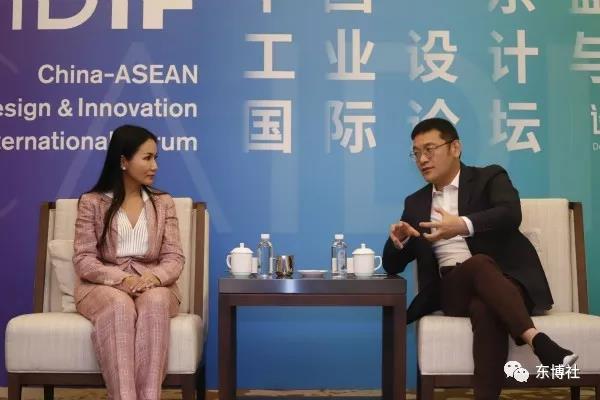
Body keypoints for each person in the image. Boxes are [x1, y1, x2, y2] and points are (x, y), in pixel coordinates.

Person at [382, 118, 578, 400]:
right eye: (416, 153)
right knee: (478, 265)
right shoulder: (415, 203)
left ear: (455, 148)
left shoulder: (489, 178)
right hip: (452, 290)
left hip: (507, 283)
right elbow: (391, 266)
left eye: (429, 149)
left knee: (485, 307)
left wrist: (462, 225)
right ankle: (537, 340)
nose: (422, 159)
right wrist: (399, 241)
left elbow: (510, 214)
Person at [73, 125, 184, 400]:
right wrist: (123, 279)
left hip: (153, 283)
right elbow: (84, 259)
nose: (155, 166)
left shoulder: (163, 203)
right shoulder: (91, 202)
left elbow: (174, 257)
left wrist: (154, 278)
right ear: (123, 160)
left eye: (156, 157)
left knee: (155, 301)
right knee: (119, 305)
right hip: (103, 286)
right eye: (147, 158)